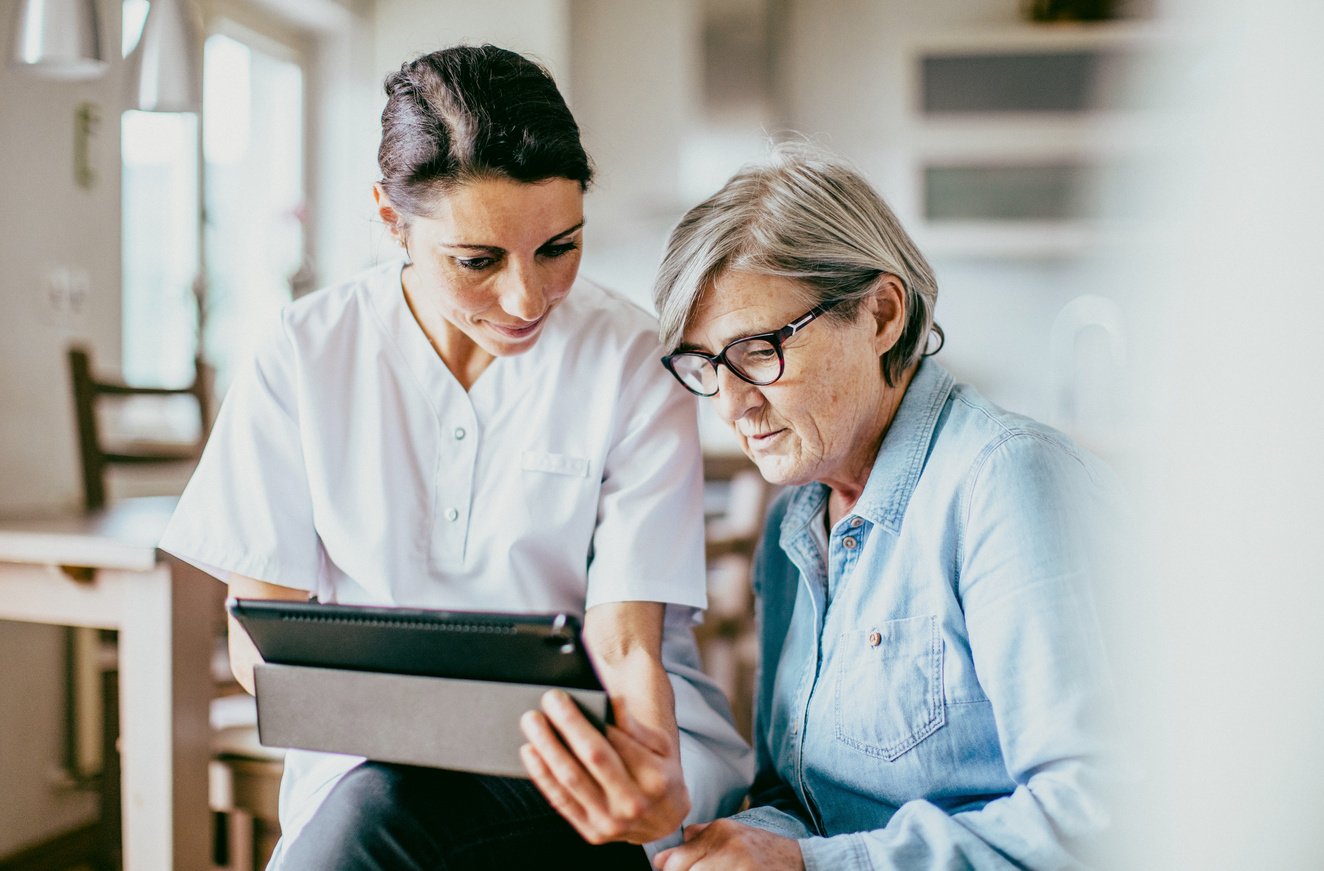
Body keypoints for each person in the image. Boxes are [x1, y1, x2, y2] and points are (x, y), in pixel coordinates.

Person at [159, 44, 751, 869]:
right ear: (388, 217)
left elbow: (624, 644)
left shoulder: (631, 360)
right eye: (478, 261)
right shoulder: (304, 351)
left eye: (559, 248)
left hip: (598, 746)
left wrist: (648, 766)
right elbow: (263, 641)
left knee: (385, 824)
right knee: (383, 806)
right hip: (371, 767)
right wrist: (412, 724)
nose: (526, 299)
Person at [645, 144, 1120, 870]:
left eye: (758, 350)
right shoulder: (791, 525)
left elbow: (1094, 815)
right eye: (708, 366)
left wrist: (812, 865)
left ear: (882, 313)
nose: (733, 403)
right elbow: (803, 799)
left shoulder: (1004, 480)